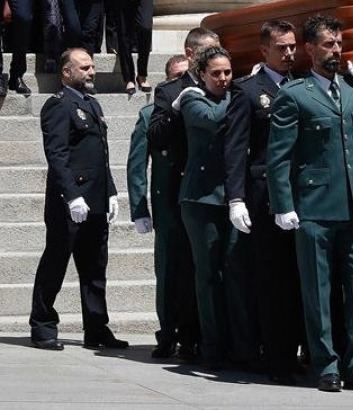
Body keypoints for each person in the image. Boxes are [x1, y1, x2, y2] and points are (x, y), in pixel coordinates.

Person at [266, 15, 353, 395]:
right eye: (328, 44)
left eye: (339, 44)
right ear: (310, 49)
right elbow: (279, 157)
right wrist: (284, 205)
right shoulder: (295, 94)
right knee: (318, 293)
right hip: (315, 208)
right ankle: (326, 366)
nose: (336, 50)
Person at [29, 48, 126, 351]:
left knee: (95, 267)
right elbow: (57, 155)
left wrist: (110, 191)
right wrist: (72, 196)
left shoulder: (93, 105)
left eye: (92, 66)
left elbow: (102, 156)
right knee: (56, 263)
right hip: (69, 201)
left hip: (95, 199)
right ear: (66, 72)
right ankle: (43, 325)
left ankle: (97, 328)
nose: (91, 71)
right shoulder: (58, 105)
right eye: (84, 67)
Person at [223, 20, 305, 384]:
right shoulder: (248, 91)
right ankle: (276, 357)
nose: (289, 53)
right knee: (272, 280)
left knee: (300, 277)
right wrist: (236, 197)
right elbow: (236, 147)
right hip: (264, 194)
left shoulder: (303, 84)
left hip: (303, 193)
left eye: (292, 46)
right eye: (282, 47)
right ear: (264, 51)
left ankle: (299, 350)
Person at [172, 46, 256, 370]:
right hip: (201, 199)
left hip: (233, 195)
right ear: (203, 75)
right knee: (207, 275)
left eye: (228, 73)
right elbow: (211, 120)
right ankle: (211, 346)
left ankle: (241, 345)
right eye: (216, 73)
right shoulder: (194, 99)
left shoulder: (235, 97)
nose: (223, 79)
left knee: (235, 273)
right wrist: (243, 93)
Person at [145, 27, 221, 360]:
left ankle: (197, 335)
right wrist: (176, 109)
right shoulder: (169, 91)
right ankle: (170, 333)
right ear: (191, 54)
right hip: (178, 191)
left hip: (211, 190)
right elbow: (156, 137)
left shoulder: (219, 88)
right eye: (208, 50)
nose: (215, 55)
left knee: (204, 269)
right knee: (174, 268)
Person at [127, 54, 190, 359]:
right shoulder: (150, 114)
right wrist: (139, 208)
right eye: (176, 77)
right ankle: (167, 333)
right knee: (167, 272)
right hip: (167, 201)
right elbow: (137, 164)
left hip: (194, 197)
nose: (183, 83)